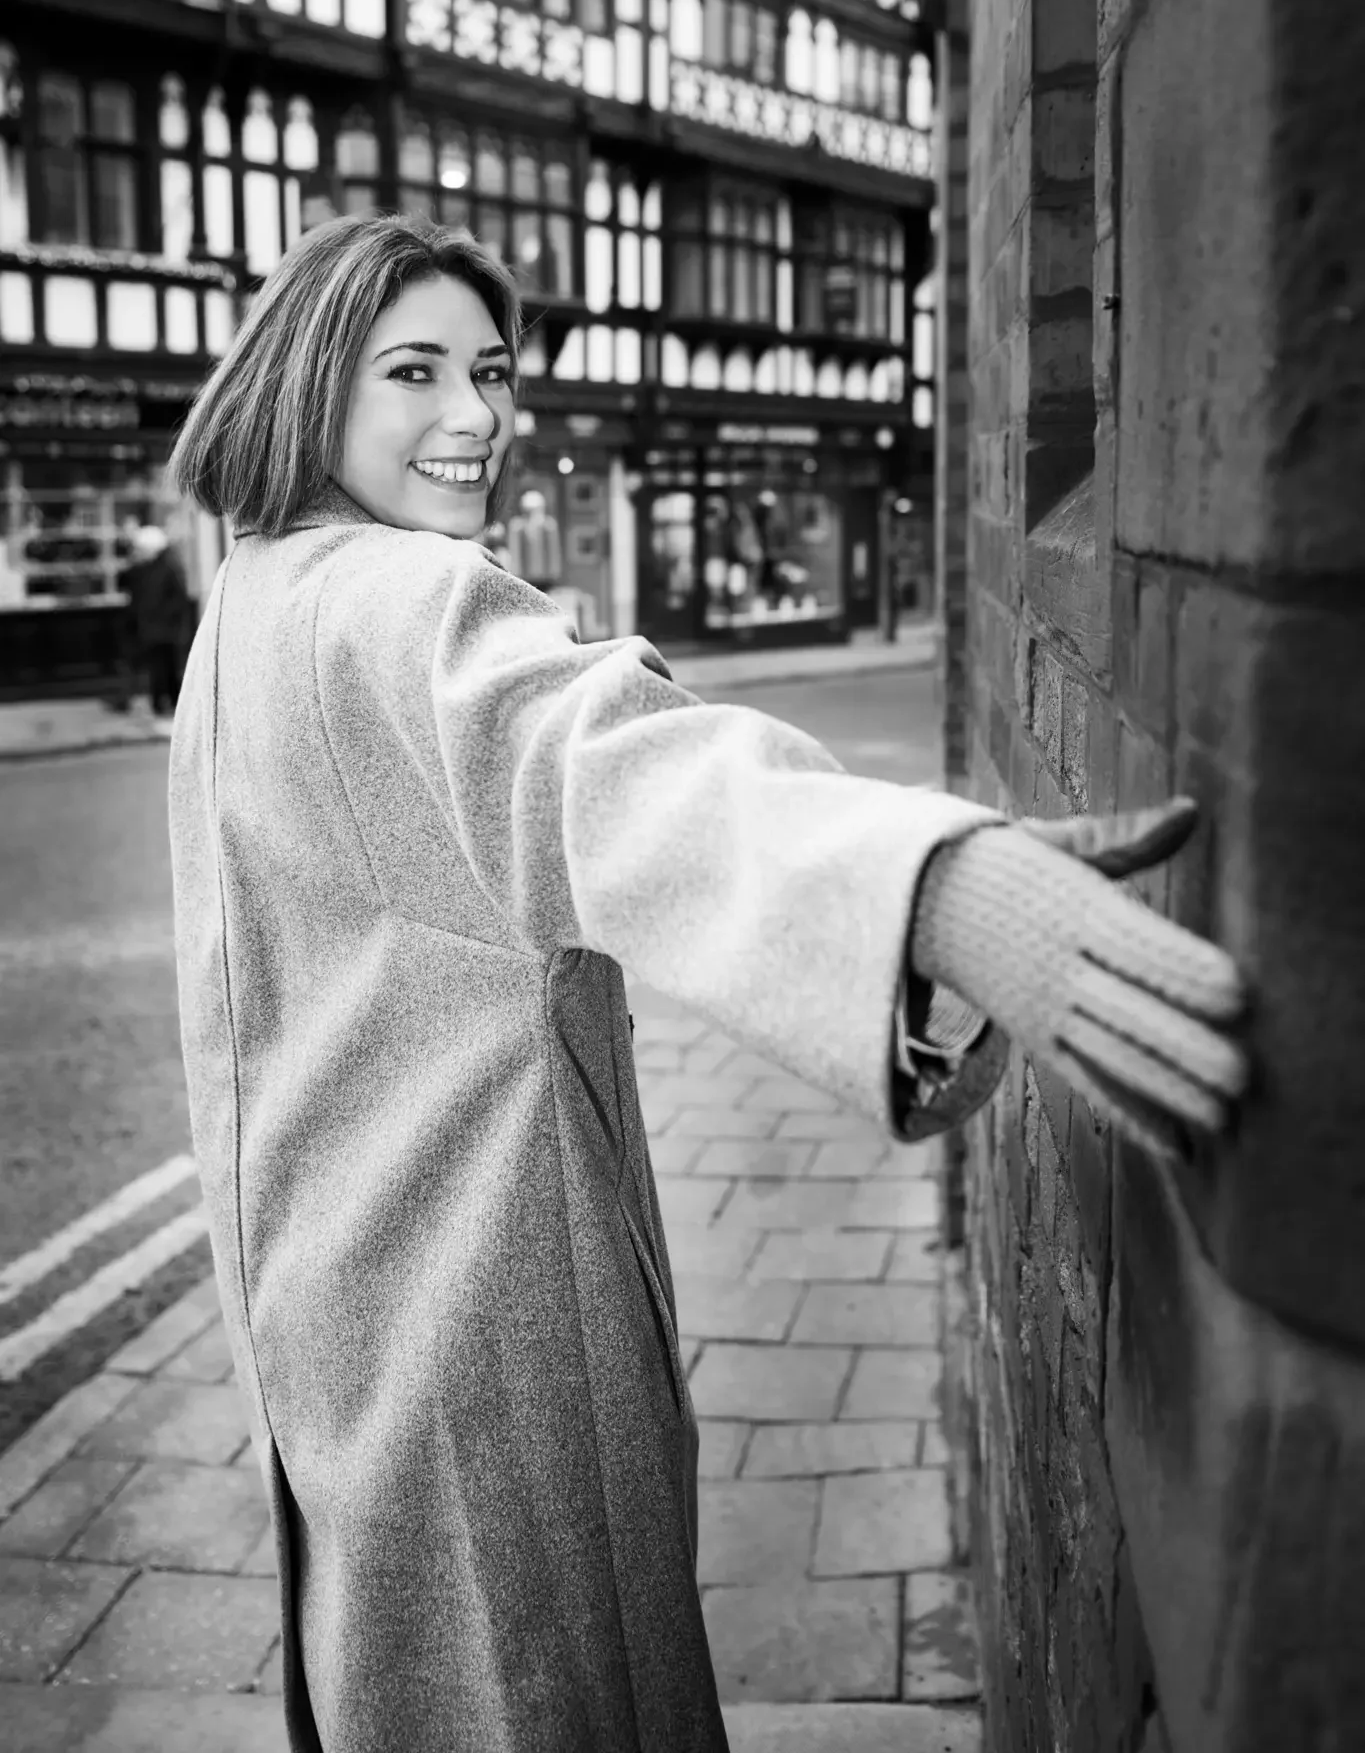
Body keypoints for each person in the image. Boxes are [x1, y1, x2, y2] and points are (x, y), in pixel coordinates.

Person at [164, 216, 1248, 1753]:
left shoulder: (250, 611)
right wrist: (937, 890)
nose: (475, 417)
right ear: (303, 384)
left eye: (490, 370)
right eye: (412, 371)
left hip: (336, 1343)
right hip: (482, 1340)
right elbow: (594, 760)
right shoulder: (398, 601)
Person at [117, 522, 195, 723]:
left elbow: (177, 600)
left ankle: (167, 703)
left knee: (165, 668)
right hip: (152, 628)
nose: (139, 552)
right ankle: (163, 703)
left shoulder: (165, 569)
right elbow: (125, 582)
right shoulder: (145, 570)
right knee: (160, 668)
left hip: (162, 629)